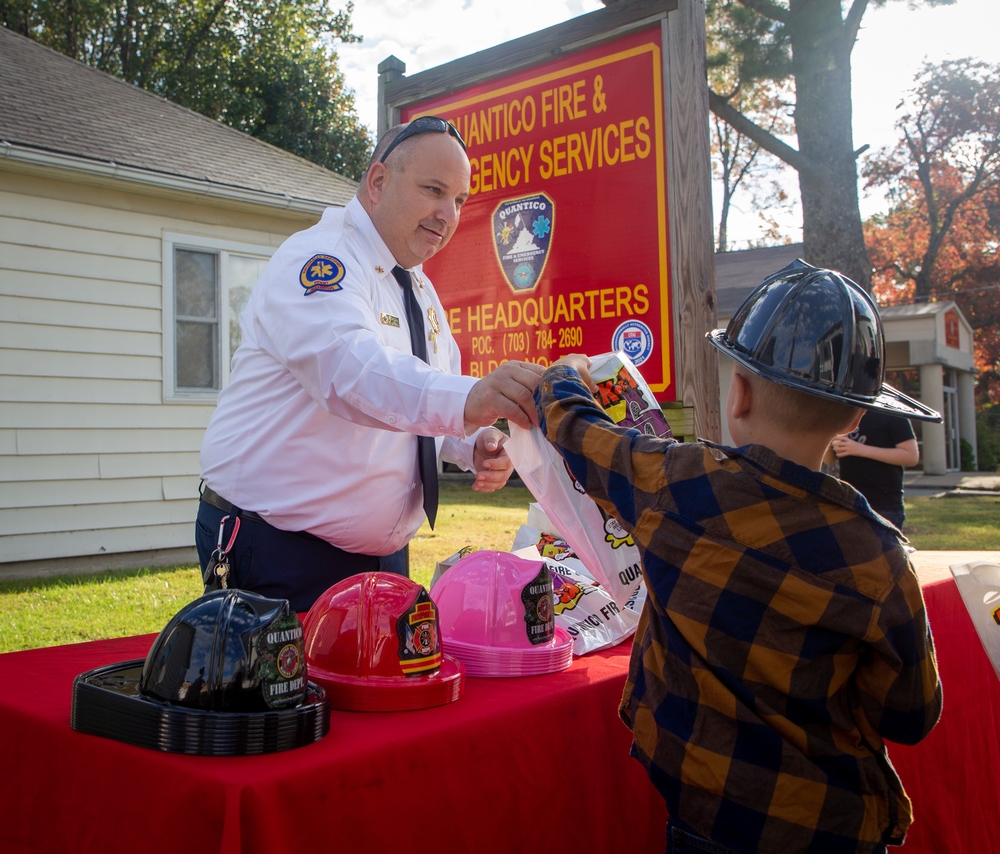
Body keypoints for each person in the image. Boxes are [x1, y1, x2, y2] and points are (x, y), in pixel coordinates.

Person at [531, 260, 942, 854]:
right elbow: (910, 717)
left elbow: (579, 433)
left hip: (705, 821)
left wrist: (563, 377)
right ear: (857, 416)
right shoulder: (878, 556)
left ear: (740, 392)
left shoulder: (677, 485)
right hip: (834, 829)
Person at [196, 116, 545, 612]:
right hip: (277, 549)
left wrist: (474, 443)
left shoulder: (418, 287)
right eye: (433, 189)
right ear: (379, 182)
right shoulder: (320, 257)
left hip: (382, 559)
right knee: (288, 692)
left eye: (460, 200)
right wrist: (469, 399)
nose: (447, 213)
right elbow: (349, 372)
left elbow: (422, 402)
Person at [828, 411, 919, 529]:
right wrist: (832, 441)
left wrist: (860, 449)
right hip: (850, 503)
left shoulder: (891, 413)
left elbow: (911, 457)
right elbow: (829, 460)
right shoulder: (845, 412)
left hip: (884, 505)